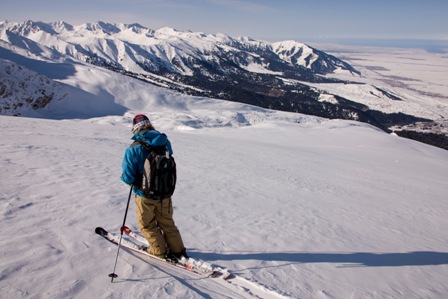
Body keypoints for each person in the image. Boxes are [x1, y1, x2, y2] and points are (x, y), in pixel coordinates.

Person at [121, 114, 188, 260]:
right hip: (165, 191)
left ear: (135, 129)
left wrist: (133, 181)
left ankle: (158, 250)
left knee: (147, 224)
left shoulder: (133, 148)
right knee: (167, 222)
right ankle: (178, 250)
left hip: (144, 194)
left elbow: (128, 176)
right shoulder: (164, 142)